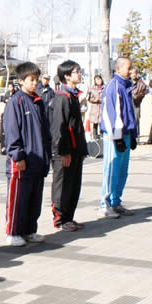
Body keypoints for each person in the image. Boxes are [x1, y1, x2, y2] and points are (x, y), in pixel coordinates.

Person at [4, 61, 51, 246]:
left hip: (38, 160)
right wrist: (18, 155)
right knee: (19, 199)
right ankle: (13, 232)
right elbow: (12, 132)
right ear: (21, 80)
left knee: (34, 199)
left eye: (36, 80)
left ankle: (30, 230)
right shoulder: (16, 102)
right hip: (22, 161)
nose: (35, 83)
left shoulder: (38, 102)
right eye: (31, 80)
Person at [51, 60, 88, 232]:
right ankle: (60, 218)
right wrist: (63, 151)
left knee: (74, 185)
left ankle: (69, 217)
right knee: (63, 185)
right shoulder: (62, 97)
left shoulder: (73, 96)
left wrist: (81, 149)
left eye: (79, 71)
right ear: (66, 76)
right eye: (76, 71)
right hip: (64, 151)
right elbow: (59, 127)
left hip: (75, 150)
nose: (79, 74)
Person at [98, 57, 138, 218]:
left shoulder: (126, 85)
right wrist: (118, 137)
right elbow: (110, 114)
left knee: (122, 171)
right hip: (115, 136)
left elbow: (129, 113)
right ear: (119, 69)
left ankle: (116, 201)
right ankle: (104, 204)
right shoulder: (113, 86)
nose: (131, 70)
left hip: (126, 134)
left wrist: (133, 135)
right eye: (129, 68)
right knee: (112, 169)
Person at [130, 67, 148, 141]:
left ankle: (136, 137)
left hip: (136, 105)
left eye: (134, 73)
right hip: (127, 105)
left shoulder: (141, 84)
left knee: (136, 120)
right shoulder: (126, 82)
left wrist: (136, 97)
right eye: (131, 73)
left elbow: (142, 94)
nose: (133, 75)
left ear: (136, 74)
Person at [87, 75, 105, 139]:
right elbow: (89, 99)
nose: (99, 81)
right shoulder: (92, 88)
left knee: (102, 121)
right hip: (95, 107)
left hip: (102, 106)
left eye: (99, 79)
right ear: (95, 81)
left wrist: (100, 100)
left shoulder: (105, 87)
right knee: (95, 121)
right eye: (97, 80)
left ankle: (102, 134)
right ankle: (95, 135)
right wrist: (94, 100)